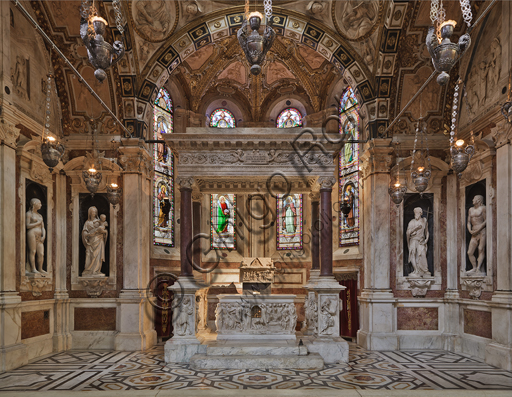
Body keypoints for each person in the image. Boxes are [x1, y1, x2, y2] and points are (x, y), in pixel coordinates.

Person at [82, 206, 107, 276]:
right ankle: (88, 270)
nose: (94, 213)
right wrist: (88, 234)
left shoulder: (99, 222)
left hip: (99, 240)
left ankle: (97, 271)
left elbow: (104, 229)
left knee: (98, 256)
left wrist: (102, 232)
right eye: (92, 211)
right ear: (89, 213)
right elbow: (84, 232)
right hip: (90, 242)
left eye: (95, 211)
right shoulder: (87, 223)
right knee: (89, 255)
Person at [406, 207, 430, 277]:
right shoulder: (412, 222)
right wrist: (415, 228)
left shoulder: (424, 220)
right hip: (413, 240)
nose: (416, 214)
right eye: (415, 212)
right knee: (413, 254)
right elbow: (408, 232)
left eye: (417, 212)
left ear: (421, 213)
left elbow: (426, 232)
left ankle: (424, 271)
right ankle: (415, 270)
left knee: (422, 254)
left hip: (421, 241)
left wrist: (426, 240)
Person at [26, 198, 46, 274]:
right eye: (39, 203)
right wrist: (37, 223)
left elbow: (43, 227)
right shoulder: (29, 214)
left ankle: (40, 268)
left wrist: (43, 236)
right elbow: (27, 226)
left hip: (40, 235)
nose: (41, 205)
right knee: (32, 251)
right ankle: (33, 268)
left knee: (41, 253)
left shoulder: (40, 215)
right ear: (34, 203)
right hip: (31, 234)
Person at [467, 195, 486, 274]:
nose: (472, 200)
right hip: (473, 232)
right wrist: (470, 230)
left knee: (480, 249)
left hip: (482, 231)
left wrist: (479, 229)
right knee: (470, 252)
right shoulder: (470, 209)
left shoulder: (483, 208)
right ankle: (474, 267)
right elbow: (468, 222)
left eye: (474, 199)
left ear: (478, 200)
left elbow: (486, 220)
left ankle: (479, 268)